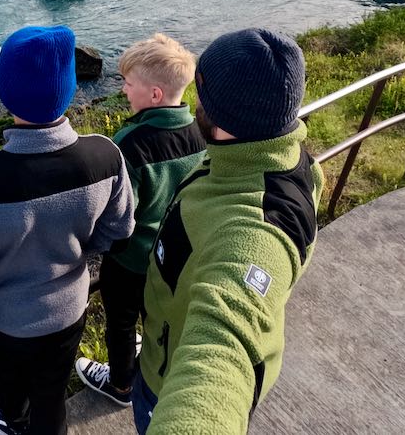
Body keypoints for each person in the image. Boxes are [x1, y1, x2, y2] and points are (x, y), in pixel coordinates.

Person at [132, 29, 323, 435]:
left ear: (216, 110)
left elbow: (220, 351)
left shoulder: (253, 235)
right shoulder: (279, 159)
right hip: (166, 344)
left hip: (164, 384)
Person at [0, 25, 135, 435]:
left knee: (10, 388)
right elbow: (119, 235)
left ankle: (13, 420)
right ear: (70, 86)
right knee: (52, 393)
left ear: (2, 89)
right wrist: (78, 249)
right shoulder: (105, 155)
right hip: (69, 310)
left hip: (3, 320)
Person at [75, 33, 207, 407]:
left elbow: (118, 214)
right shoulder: (200, 132)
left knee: (120, 322)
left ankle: (120, 386)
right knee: (159, 315)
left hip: (132, 260)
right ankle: (154, 367)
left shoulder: (130, 143)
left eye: (128, 83)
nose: (123, 90)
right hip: (175, 254)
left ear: (154, 94)